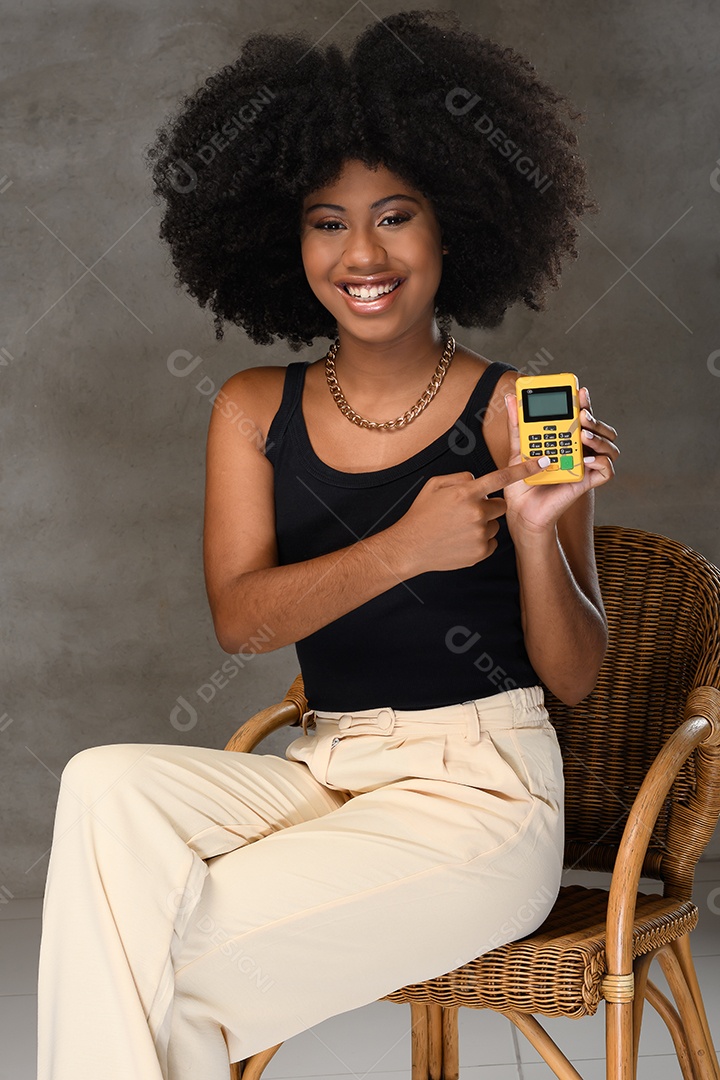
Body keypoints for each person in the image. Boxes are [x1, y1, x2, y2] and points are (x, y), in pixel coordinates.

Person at [36, 11, 619, 1080]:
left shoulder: (514, 412)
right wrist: (406, 545)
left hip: (480, 795)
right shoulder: (253, 409)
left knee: (151, 963)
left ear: (454, 229)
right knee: (105, 785)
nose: (362, 255)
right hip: (326, 764)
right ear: (284, 240)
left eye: (396, 217)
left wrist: (537, 533)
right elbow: (243, 620)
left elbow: (576, 678)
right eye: (326, 222)